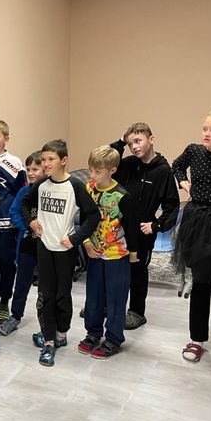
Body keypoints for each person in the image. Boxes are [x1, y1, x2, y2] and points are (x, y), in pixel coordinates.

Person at [21, 140, 100, 366]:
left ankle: (61, 334)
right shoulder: (41, 184)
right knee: (45, 295)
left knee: (62, 295)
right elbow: (24, 204)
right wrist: (31, 222)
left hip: (65, 250)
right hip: (44, 247)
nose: (45, 163)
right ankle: (48, 341)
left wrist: (75, 238)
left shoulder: (74, 185)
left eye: (51, 159)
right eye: (43, 159)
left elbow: (93, 215)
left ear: (64, 160)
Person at [110, 123, 179, 329]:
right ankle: (108, 306)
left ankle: (136, 312)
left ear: (151, 139)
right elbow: (107, 159)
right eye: (130, 143)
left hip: (141, 232)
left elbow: (172, 205)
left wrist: (156, 226)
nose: (134, 147)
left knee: (137, 272)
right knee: (113, 268)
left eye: (138, 141)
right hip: (118, 228)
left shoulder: (163, 171)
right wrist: (120, 142)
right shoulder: (128, 164)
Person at [78, 146, 138, 360]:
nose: (92, 175)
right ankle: (93, 333)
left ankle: (113, 338)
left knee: (115, 299)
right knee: (93, 297)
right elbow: (83, 219)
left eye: (98, 171)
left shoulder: (122, 196)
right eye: (91, 170)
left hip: (116, 255)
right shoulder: (88, 189)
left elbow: (131, 227)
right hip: (94, 253)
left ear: (112, 170)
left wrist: (134, 253)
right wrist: (86, 243)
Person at [172, 110, 211, 365]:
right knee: (200, 282)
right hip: (197, 222)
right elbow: (177, 165)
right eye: (205, 128)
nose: (206, 133)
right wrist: (184, 183)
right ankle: (197, 339)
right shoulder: (194, 151)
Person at [0, 119, 27, 325]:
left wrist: (17, 219)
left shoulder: (13, 163)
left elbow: (23, 193)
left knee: (7, 264)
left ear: (6, 139)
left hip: (6, 226)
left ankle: (4, 302)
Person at [0, 151, 43, 336]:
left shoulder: (50, 192)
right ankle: (16, 316)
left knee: (46, 287)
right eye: (28, 169)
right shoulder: (24, 191)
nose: (31, 173)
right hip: (27, 243)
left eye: (35, 169)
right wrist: (28, 225)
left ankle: (46, 323)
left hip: (47, 246)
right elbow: (14, 212)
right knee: (22, 283)